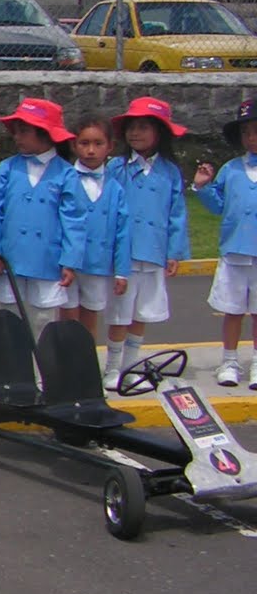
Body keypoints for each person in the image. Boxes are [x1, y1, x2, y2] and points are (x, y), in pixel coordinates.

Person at [103, 96, 189, 390]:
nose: (135, 134)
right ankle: (112, 368)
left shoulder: (170, 171)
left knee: (142, 312)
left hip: (153, 252)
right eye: (131, 128)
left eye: (143, 127)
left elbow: (176, 213)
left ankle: (130, 367)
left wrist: (174, 251)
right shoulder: (116, 168)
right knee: (120, 313)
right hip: (124, 254)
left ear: (160, 133)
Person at [0, 97, 84, 339]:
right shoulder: (7, 168)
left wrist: (70, 260)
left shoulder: (66, 173)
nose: (17, 137)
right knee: (9, 315)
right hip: (11, 254)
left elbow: (74, 219)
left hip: (47, 257)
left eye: (24, 131)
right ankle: (14, 370)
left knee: (44, 318)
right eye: (16, 131)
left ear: (45, 134)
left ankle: (43, 372)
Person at [192, 98, 257, 388]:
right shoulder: (230, 169)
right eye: (246, 132)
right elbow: (218, 205)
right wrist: (203, 186)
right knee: (232, 310)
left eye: (256, 130)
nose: (251, 138)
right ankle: (229, 361)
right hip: (234, 253)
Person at [62, 113, 131, 340]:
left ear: (110, 146)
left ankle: (86, 368)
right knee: (68, 317)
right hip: (67, 263)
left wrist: (121, 271)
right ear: (74, 145)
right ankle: (65, 367)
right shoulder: (64, 178)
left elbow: (123, 231)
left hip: (98, 263)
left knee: (90, 318)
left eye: (98, 144)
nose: (90, 151)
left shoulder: (115, 188)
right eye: (84, 143)